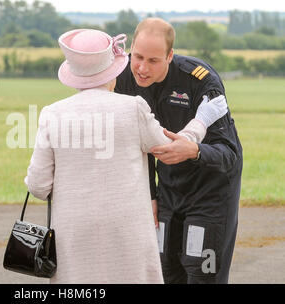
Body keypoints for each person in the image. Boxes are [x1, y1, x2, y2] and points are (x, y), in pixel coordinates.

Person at [24, 28, 228, 283]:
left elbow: (38, 186)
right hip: (127, 235)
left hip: (73, 237)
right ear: (112, 70)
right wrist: (200, 122)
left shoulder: (51, 114)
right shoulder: (133, 108)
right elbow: (169, 150)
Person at [115, 17, 243, 284]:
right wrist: (150, 194)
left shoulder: (199, 80)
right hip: (168, 193)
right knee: (164, 272)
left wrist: (194, 150)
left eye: (153, 61)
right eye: (137, 57)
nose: (142, 68)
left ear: (170, 56)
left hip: (210, 193)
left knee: (201, 273)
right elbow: (138, 147)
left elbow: (229, 155)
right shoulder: (125, 77)